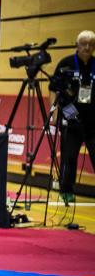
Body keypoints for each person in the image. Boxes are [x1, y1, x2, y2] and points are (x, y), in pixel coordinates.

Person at [52, 30, 95, 206]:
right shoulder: (66, 64)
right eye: (84, 43)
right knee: (69, 157)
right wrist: (54, 112)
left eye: (91, 44)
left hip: (93, 119)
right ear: (76, 45)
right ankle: (66, 190)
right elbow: (53, 87)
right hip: (71, 116)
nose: (87, 47)